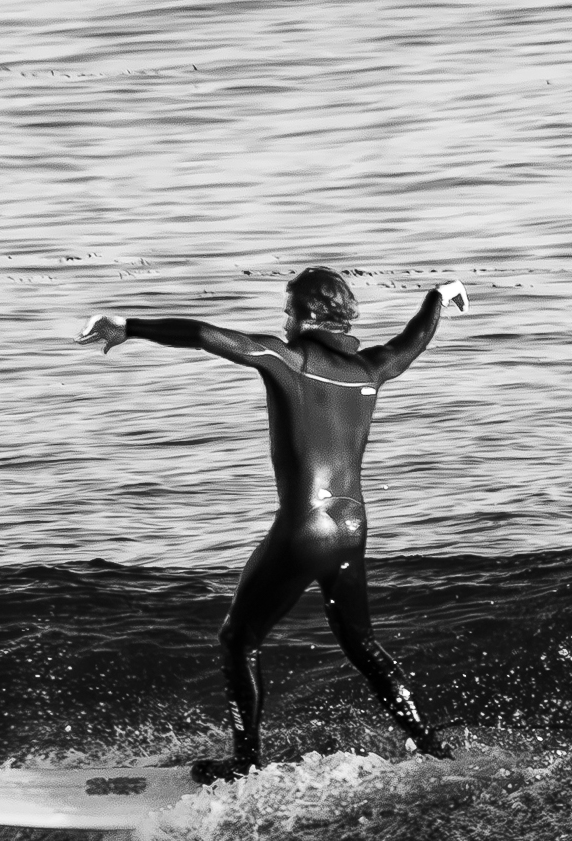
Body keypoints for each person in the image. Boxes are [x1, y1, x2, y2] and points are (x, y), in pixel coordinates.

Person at [79, 268, 466, 782]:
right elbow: (412, 341)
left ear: (309, 314)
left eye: (288, 311)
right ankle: (431, 747)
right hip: (351, 524)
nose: (284, 323)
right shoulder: (371, 369)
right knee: (361, 644)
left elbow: (207, 335)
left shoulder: (292, 360)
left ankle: (244, 763)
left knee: (237, 639)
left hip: (306, 527)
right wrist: (438, 297)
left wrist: (129, 326)